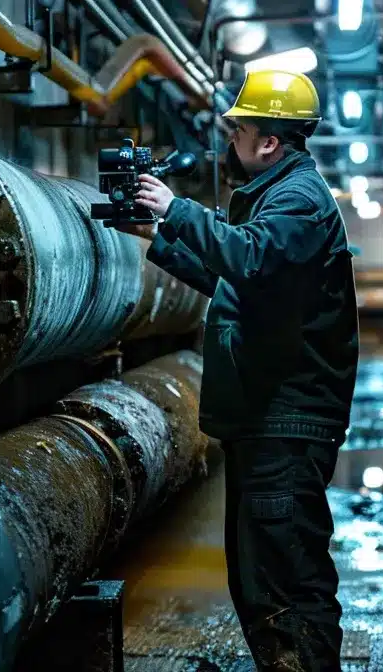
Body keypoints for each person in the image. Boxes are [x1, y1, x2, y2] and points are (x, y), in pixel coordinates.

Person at [113, 69, 358, 672]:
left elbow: (248, 257)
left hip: (287, 422)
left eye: (239, 131)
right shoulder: (278, 196)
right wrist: (159, 235)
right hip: (267, 420)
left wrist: (178, 210)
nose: (231, 143)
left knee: (287, 582)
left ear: (269, 141)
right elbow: (237, 283)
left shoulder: (297, 200)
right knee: (260, 578)